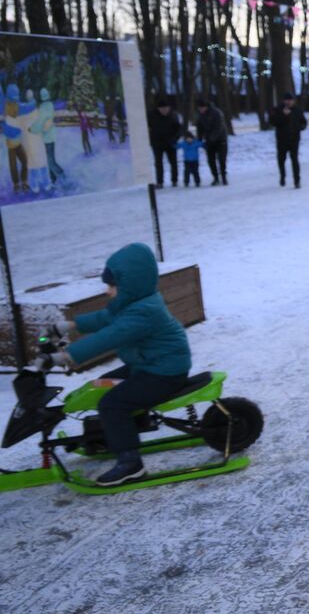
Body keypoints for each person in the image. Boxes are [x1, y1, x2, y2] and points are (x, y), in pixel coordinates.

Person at [43, 243, 192, 487]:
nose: (107, 291)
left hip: (164, 372)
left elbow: (110, 336)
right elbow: (105, 318)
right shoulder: (135, 302)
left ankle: (130, 463)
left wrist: (67, 356)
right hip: (148, 365)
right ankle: (111, 434)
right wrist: (68, 326)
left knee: (112, 403)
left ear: (129, 286)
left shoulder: (143, 313)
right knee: (99, 387)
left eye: (112, 285)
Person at [268, 92, 307, 188]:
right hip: (282, 140)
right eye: (287, 100)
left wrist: (300, 127)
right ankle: (282, 176)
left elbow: (304, 122)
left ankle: (297, 181)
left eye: (290, 100)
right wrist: (283, 115)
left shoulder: (298, 110)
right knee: (281, 160)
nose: (289, 102)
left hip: (294, 139)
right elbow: (273, 122)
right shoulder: (278, 109)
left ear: (293, 101)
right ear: (283, 101)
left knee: (295, 160)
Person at [147, 95, 182, 189]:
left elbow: (179, 129)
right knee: (158, 163)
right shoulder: (151, 115)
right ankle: (159, 182)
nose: (164, 110)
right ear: (158, 109)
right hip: (157, 143)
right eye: (162, 109)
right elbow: (146, 127)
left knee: (173, 162)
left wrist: (175, 138)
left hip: (171, 142)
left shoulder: (173, 115)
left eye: (166, 108)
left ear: (169, 108)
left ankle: (174, 180)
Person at [195, 97, 229, 185]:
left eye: (202, 108)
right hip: (209, 141)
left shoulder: (216, 113)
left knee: (222, 159)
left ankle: (224, 177)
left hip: (221, 139)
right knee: (211, 160)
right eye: (199, 108)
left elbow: (219, 127)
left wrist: (211, 138)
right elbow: (199, 128)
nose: (201, 109)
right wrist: (199, 140)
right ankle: (215, 177)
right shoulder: (200, 116)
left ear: (206, 107)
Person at [3, 85, 29, 193]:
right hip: (11, 141)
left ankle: (22, 182)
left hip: (16, 141)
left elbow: (25, 108)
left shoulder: (16, 106)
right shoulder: (6, 106)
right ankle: (18, 184)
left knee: (24, 161)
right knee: (15, 163)